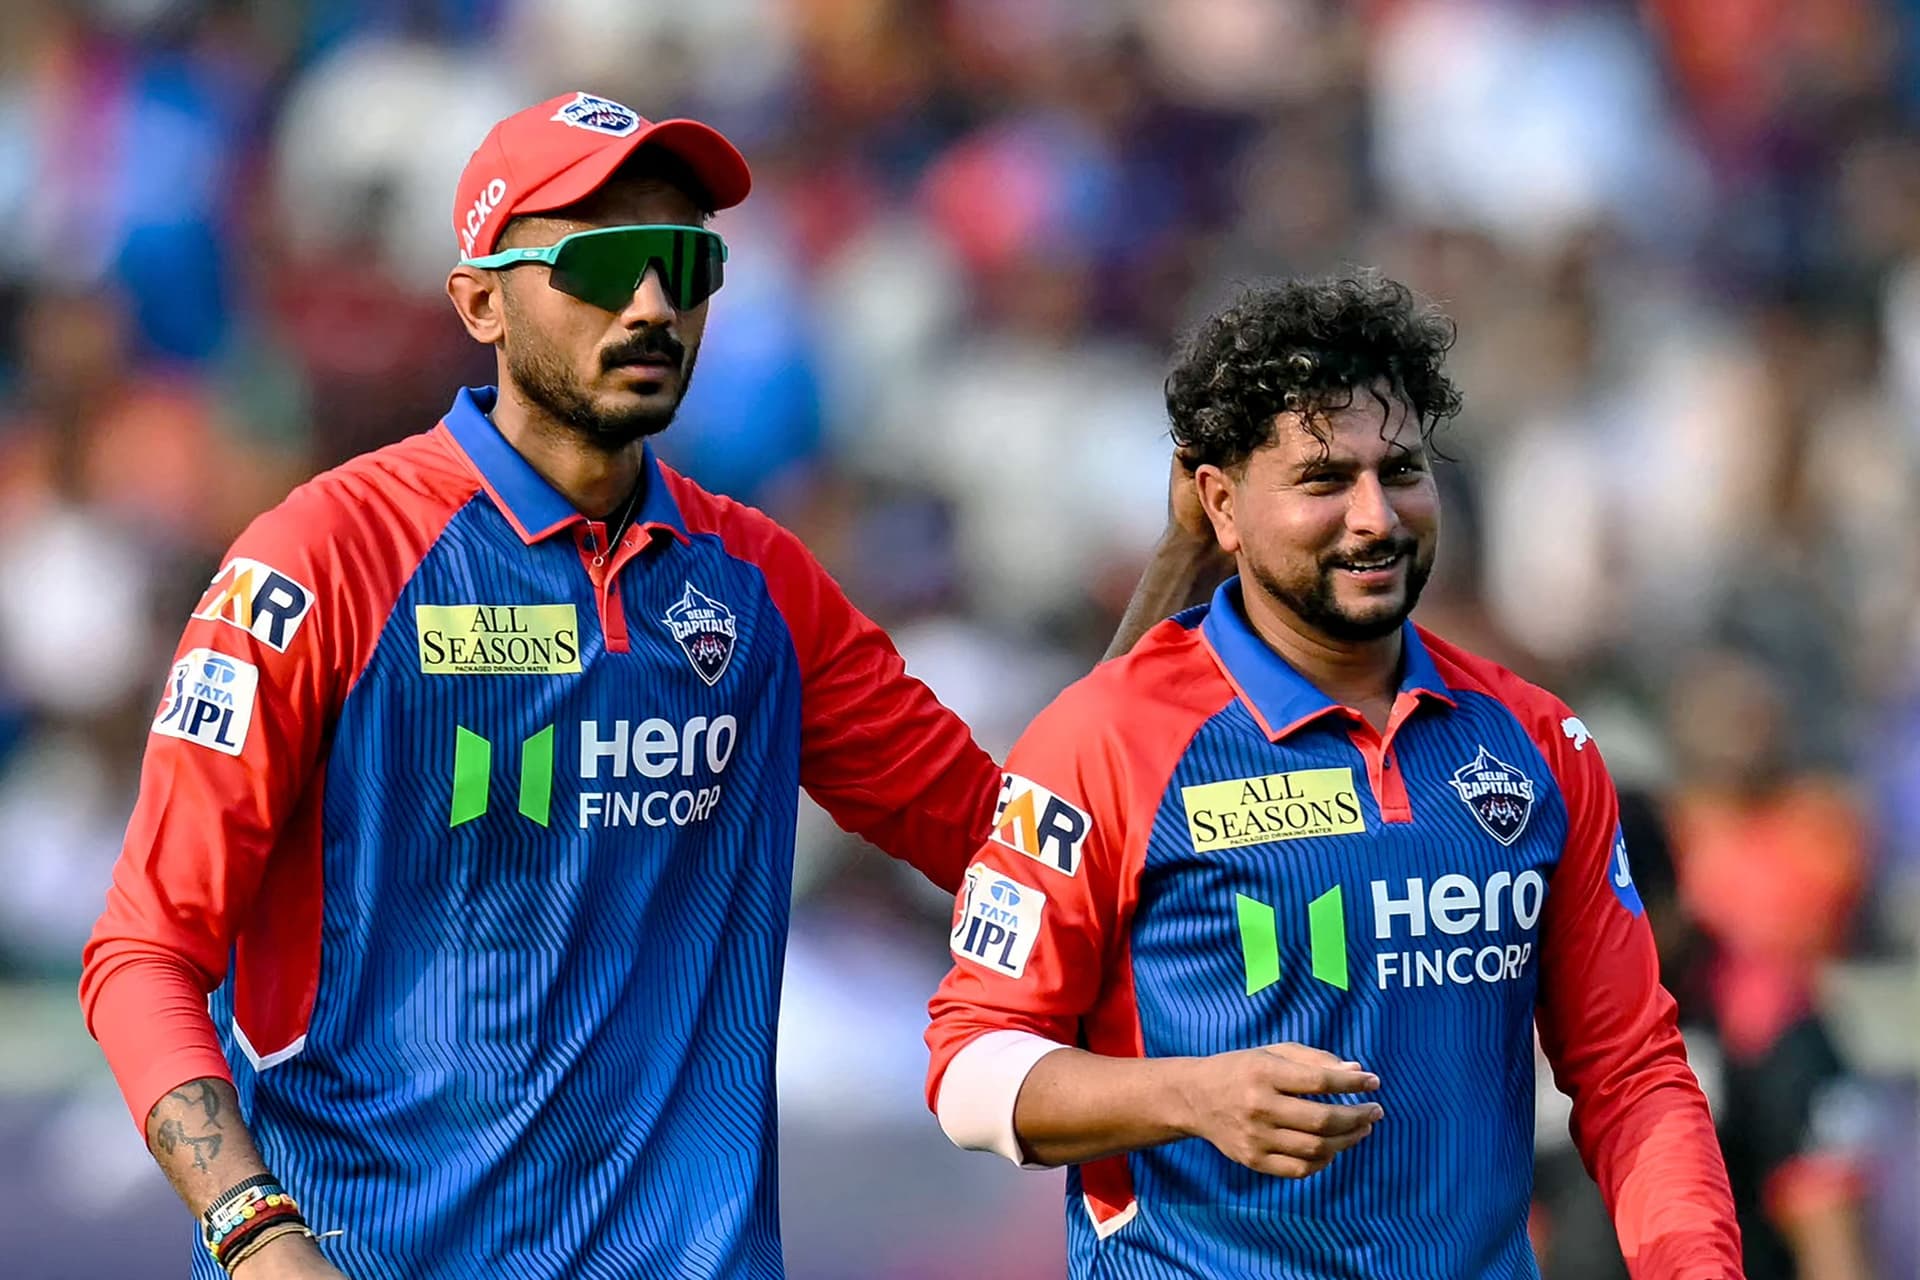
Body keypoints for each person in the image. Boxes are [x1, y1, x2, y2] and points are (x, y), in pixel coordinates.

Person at [78, 92, 1221, 1280]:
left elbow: (1026, 848)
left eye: (686, 263)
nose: (653, 306)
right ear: (480, 299)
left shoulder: (758, 583)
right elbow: (144, 951)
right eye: (605, 263)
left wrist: (1185, 561)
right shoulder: (323, 559)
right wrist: (256, 1236)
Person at [924, 274, 1744, 1278]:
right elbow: (969, 1071)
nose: (1375, 517)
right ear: (1220, 503)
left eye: (1399, 469)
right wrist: (1191, 1095)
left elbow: (1632, 1070)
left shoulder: (1536, 738)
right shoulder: (1103, 736)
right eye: (1322, 479)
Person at [1534, 791, 1877, 1280]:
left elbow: (1829, 1230)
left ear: (1671, 906)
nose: (1594, 950)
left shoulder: (1758, 1009)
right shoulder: (1520, 1008)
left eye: (1607, 925)